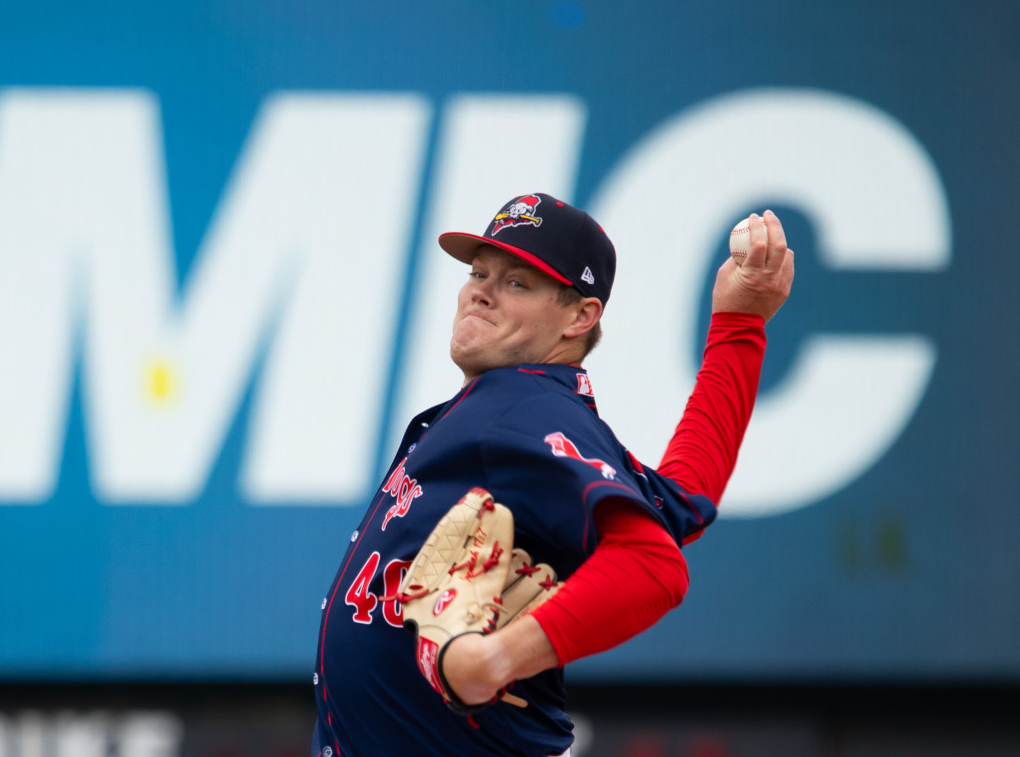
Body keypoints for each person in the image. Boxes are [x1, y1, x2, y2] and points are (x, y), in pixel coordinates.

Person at [312, 193, 794, 757]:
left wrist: (494, 660)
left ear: (580, 316)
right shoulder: (526, 411)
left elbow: (654, 565)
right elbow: (685, 500)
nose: (479, 291)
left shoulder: (519, 407)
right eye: (479, 272)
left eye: (517, 282)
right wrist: (739, 325)